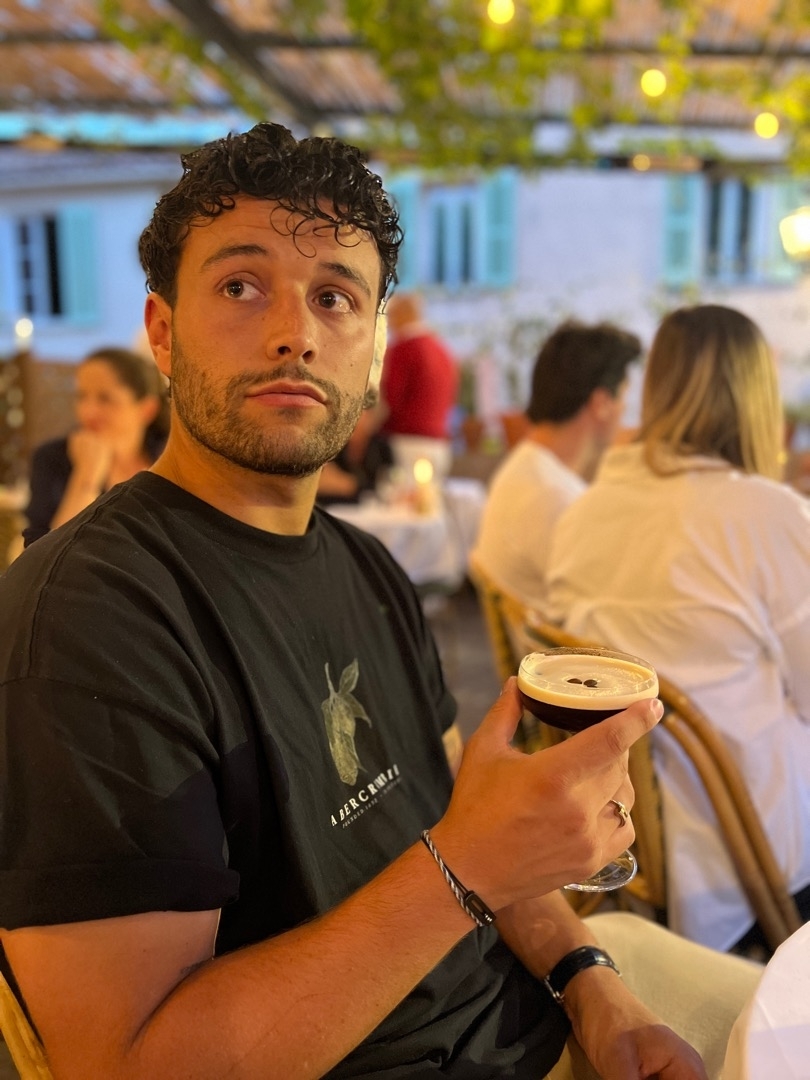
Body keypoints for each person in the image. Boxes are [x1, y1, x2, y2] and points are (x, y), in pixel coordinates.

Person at [0, 125, 758, 1080]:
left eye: (335, 297)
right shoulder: (87, 623)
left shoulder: (369, 570)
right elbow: (126, 1062)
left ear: (370, 349)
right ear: (162, 331)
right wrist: (466, 869)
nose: (296, 332)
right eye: (240, 286)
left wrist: (592, 985)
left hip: (542, 1006)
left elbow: (470, 832)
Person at [546, 303, 810, 954]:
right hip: (746, 846)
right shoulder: (770, 515)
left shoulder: (584, 512)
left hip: (619, 819)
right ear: (757, 398)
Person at [472, 319, 642, 612]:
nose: (625, 411)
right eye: (624, 397)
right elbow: (615, 605)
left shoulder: (529, 468)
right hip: (557, 641)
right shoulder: (551, 496)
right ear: (601, 403)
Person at [22, 345, 169, 545]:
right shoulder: (52, 458)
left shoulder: (169, 456)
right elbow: (39, 554)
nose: (88, 411)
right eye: (82, 396)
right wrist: (86, 476)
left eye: (105, 399)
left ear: (147, 409)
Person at [380, 291, 459, 480]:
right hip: (439, 445)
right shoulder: (442, 350)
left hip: (406, 443)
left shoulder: (403, 348)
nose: (389, 324)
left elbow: (390, 399)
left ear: (401, 315)